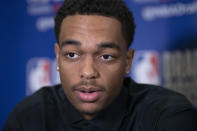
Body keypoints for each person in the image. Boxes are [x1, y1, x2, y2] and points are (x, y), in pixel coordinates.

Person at [3, 0, 197, 130]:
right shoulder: (29, 117)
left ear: (128, 61)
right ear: (57, 56)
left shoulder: (166, 114)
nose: (88, 72)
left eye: (106, 56)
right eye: (72, 54)